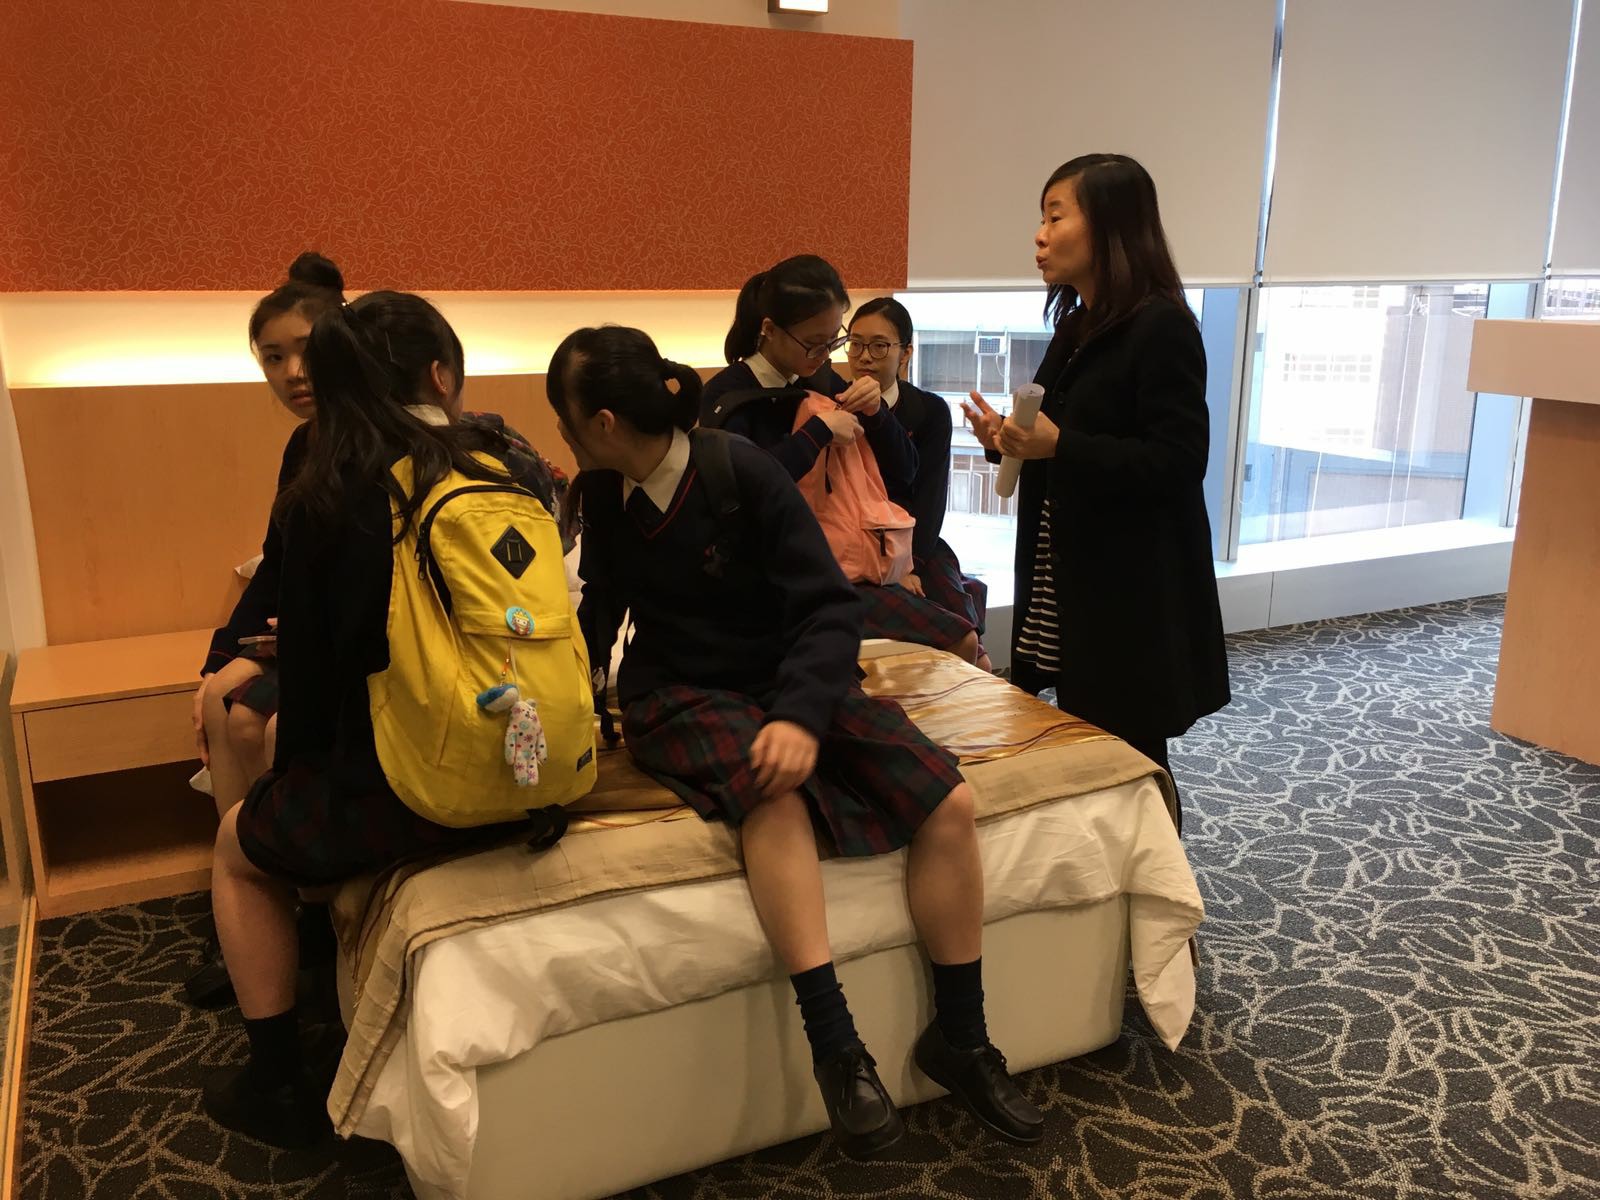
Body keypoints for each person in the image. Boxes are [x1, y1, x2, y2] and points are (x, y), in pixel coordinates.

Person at [554, 325, 1042, 1160]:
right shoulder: (602, 495)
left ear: (600, 422)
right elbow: (602, 602)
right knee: (771, 792)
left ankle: (962, 1037)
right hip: (677, 693)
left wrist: (798, 715)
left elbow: (829, 607)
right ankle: (837, 1049)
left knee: (948, 800)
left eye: (564, 419)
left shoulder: (738, 471)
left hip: (787, 673)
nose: (562, 435)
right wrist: (567, 694)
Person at [201, 291, 572, 1148]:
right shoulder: (513, 467)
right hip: (536, 773)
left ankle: (277, 1082)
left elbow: (316, 676)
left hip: (407, 790)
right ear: (440, 375)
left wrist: (293, 781)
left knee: (236, 848)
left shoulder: (329, 489)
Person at [962, 154, 1230, 830]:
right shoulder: (1078, 324)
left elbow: (1179, 462)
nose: (1040, 235)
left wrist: (1060, 446)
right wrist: (1005, 439)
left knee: (1131, 758)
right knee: (1081, 747)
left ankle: (1160, 888)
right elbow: (1055, 434)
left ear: (1110, 225)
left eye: (1056, 216)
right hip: (1067, 573)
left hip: (1128, 590)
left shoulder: (1162, 326)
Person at [185, 252, 345, 1008]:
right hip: (299, 636)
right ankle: (260, 910)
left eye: (306, 351)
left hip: (347, 647)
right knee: (224, 705)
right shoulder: (302, 447)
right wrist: (219, 659)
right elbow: (275, 567)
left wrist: (287, 645)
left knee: (262, 727)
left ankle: (303, 913)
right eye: (273, 358)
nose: (292, 373)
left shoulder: (370, 441)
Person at [704, 255, 980, 663]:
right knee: (959, 642)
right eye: (814, 343)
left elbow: (907, 472)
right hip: (775, 578)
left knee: (966, 640)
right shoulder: (728, 397)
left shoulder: (822, 382)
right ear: (769, 330)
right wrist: (817, 433)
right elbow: (740, 495)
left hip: (847, 559)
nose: (825, 356)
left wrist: (878, 414)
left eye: (833, 342)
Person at [845, 298, 992, 670]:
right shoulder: (833, 405)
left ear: (906, 352)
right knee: (949, 637)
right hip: (859, 544)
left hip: (917, 539)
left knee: (974, 649)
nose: (865, 357)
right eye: (856, 344)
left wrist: (911, 564)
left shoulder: (928, 410)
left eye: (879, 346)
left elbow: (931, 495)